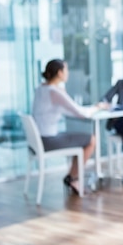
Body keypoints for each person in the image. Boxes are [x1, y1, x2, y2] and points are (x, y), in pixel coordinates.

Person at [32, 59, 104, 195]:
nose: (68, 73)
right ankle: (73, 178)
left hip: (38, 140)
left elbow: (63, 110)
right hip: (48, 141)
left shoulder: (41, 88)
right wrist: (97, 107)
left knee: (80, 139)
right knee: (91, 140)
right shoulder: (55, 92)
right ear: (60, 72)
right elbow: (82, 113)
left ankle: (71, 176)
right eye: (66, 70)